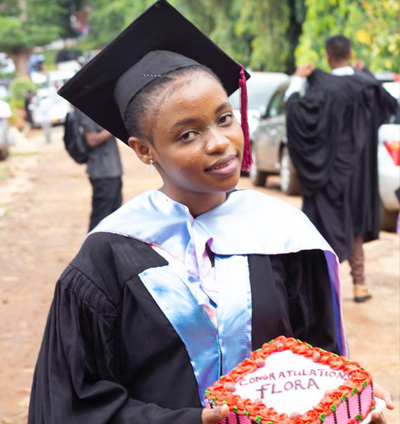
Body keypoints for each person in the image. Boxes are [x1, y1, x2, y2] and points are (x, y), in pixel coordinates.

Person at [28, 4, 393, 424]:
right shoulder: (108, 258)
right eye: (188, 134)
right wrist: (194, 420)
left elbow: (316, 362)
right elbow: (73, 404)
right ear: (144, 150)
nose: (219, 142)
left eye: (224, 118)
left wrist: (349, 399)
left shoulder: (283, 234)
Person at [285, 35, 398, 303]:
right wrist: (365, 73)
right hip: (359, 173)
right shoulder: (366, 86)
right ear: (351, 54)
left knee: (323, 226)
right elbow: (390, 105)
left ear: (327, 57)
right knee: (355, 224)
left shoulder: (322, 89)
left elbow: (297, 115)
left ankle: (323, 292)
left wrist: (297, 80)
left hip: (327, 172)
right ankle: (360, 285)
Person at [76, 110, 123, 231]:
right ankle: (92, 243)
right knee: (101, 217)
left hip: (112, 170)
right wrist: (114, 128)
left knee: (114, 215)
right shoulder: (86, 109)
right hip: (102, 172)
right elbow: (91, 140)